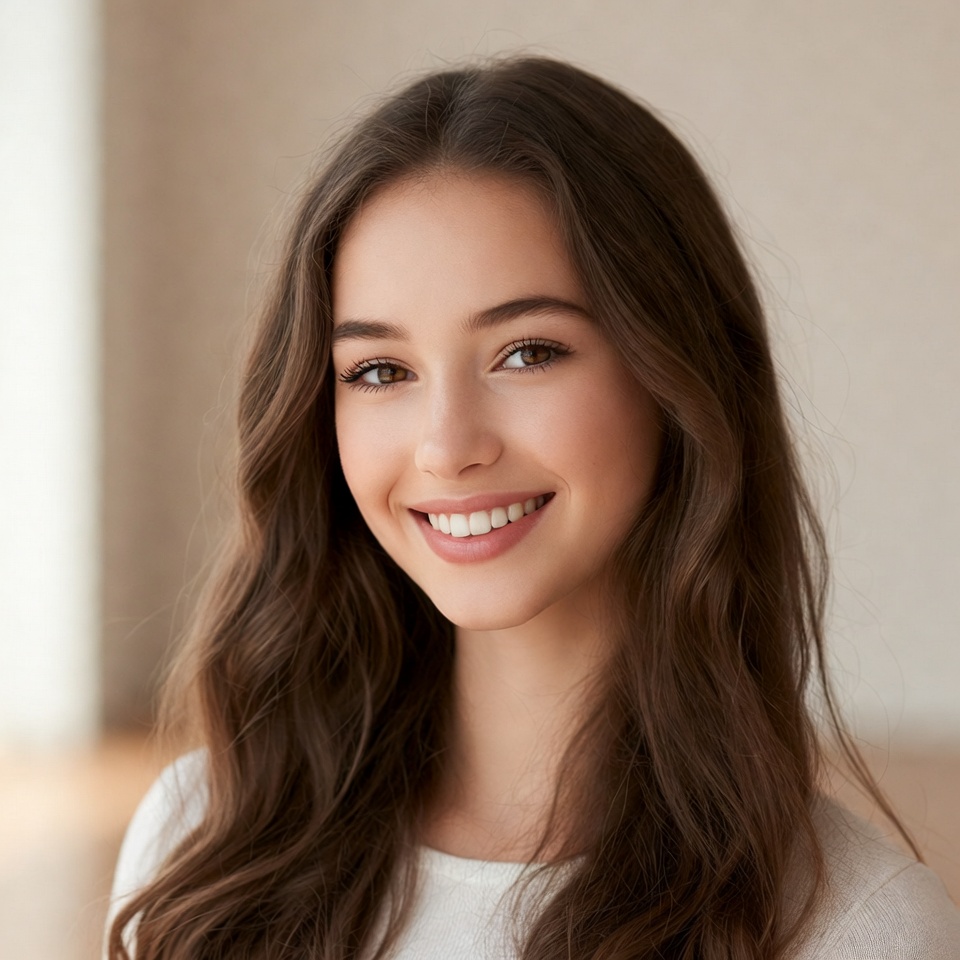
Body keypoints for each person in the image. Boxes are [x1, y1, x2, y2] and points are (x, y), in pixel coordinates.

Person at [104, 56, 960, 960]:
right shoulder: (200, 847)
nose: (446, 445)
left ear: (677, 377)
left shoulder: (859, 931)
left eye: (527, 352)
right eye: (380, 371)